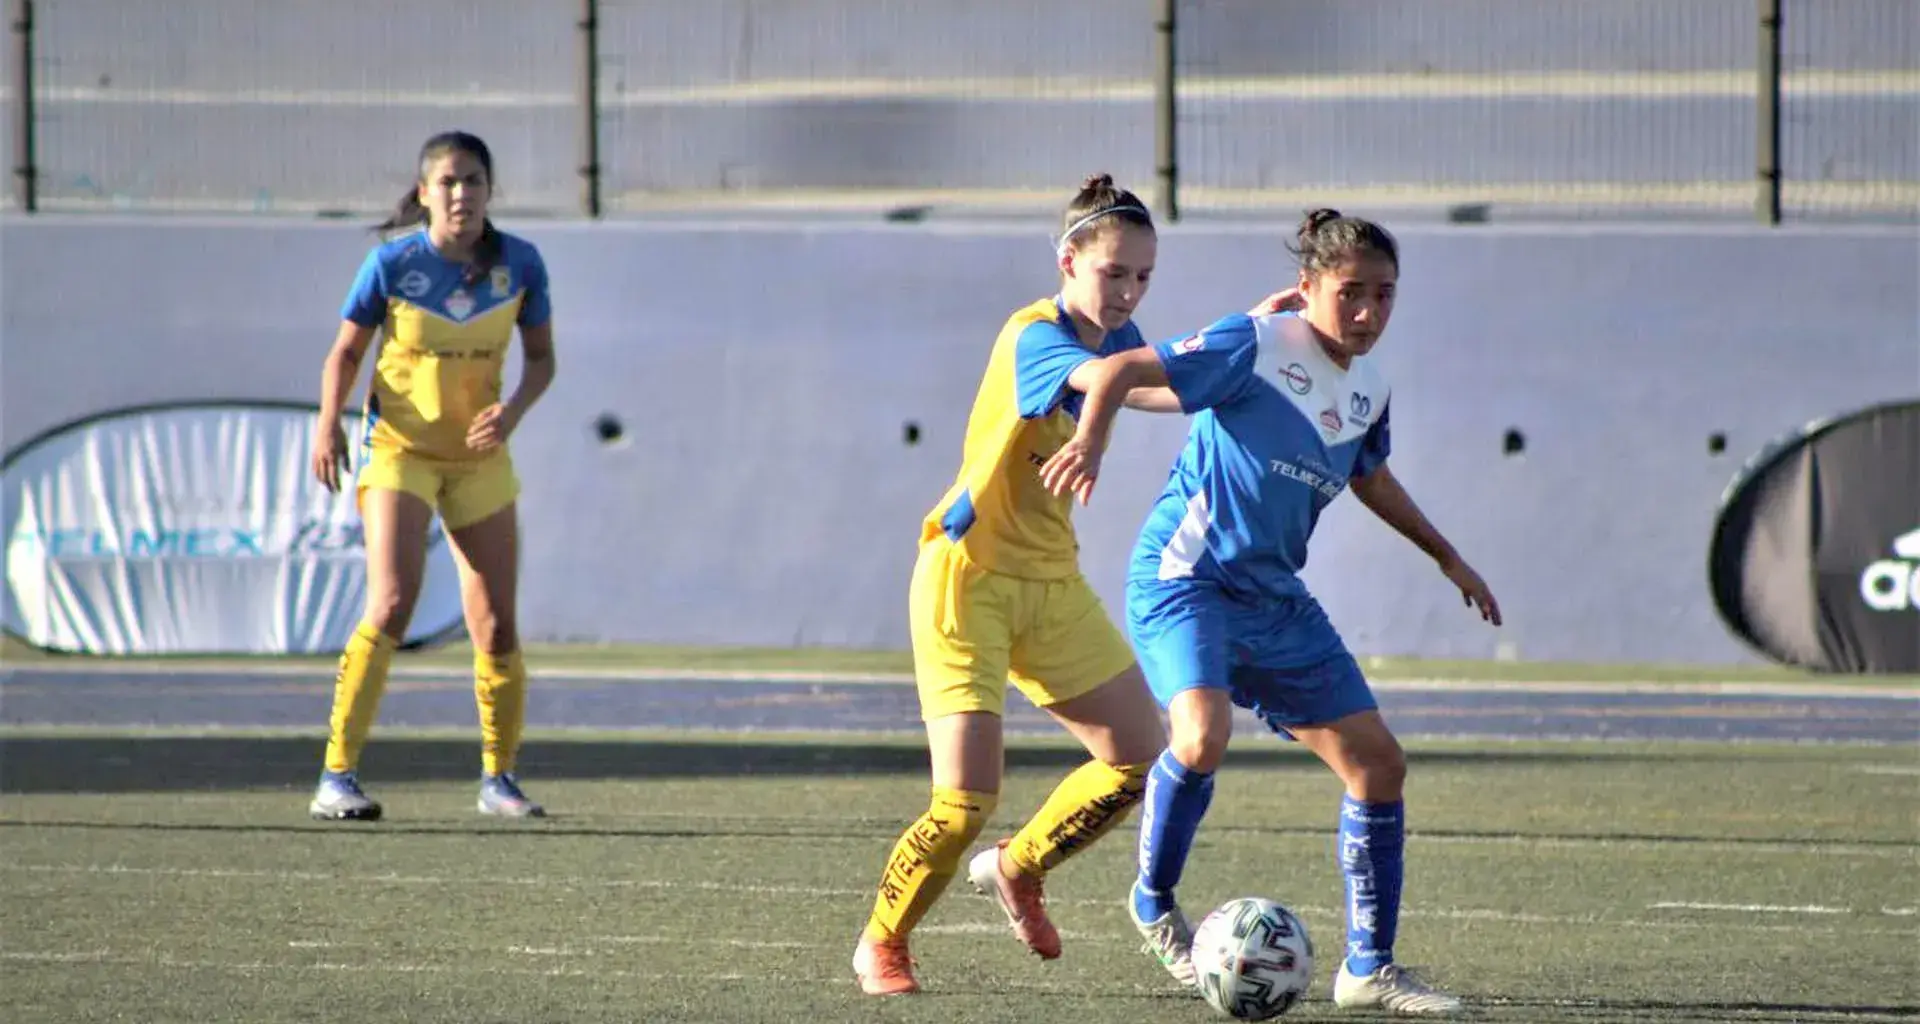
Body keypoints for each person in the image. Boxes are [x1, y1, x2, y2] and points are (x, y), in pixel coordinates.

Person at [1038, 209, 1501, 1015]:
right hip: (1186, 580)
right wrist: (1092, 443)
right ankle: (1154, 902)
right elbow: (1115, 372)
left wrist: (1445, 555)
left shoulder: (1371, 390)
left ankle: (1368, 969)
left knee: (1379, 765)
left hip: (1274, 598)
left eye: (1385, 294)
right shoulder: (1253, 342)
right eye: (1350, 292)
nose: (1369, 312)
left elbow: (1370, 476)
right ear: (1309, 286)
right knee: (1201, 737)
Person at [849, 174, 1189, 997]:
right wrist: (1103, 429)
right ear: (1068, 261)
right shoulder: (1034, 334)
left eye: (1144, 276)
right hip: (966, 580)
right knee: (963, 803)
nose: (1129, 292)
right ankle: (882, 942)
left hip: (1051, 582)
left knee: (1141, 758)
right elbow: (1108, 383)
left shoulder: (1120, 334)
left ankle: (1020, 867)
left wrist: (1265, 344)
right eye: (1114, 273)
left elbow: (1169, 385)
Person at [306, 130, 558, 823]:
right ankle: (336, 775)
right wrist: (327, 424)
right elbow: (345, 354)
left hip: (478, 460)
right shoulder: (392, 264)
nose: (460, 194)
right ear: (424, 193)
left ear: (490, 191)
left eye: (473, 180)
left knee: (496, 625)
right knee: (392, 603)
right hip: (401, 452)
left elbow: (542, 360)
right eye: (447, 182)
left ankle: (499, 779)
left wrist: (510, 413)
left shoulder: (520, 264)